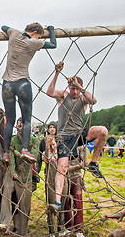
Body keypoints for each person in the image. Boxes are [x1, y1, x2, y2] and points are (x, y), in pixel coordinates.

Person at [46, 61, 108, 212]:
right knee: (62, 168)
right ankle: (57, 202)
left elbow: (93, 100)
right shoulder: (63, 96)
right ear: (68, 87)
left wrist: (79, 86)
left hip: (79, 134)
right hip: (64, 137)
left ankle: (93, 163)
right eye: (72, 88)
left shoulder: (83, 98)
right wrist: (56, 73)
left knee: (103, 130)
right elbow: (49, 92)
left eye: (76, 88)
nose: (74, 91)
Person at [0, 22, 56, 165]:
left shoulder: (14, 34)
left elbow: (4, 27)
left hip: (7, 83)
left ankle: (5, 153)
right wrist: (51, 30)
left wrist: (15, 31)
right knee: (26, 120)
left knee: (10, 120)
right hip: (22, 82)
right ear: (36, 32)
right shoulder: (33, 43)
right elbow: (53, 44)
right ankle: (25, 149)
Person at [0, 117, 39, 236]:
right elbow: (10, 156)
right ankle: (4, 222)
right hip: (13, 173)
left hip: (26, 176)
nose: (20, 127)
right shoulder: (13, 140)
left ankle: (23, 231)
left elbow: (33, 157)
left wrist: (19, 155)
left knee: (25, 206)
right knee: (7, 188)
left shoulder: (33, 141)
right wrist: (12, 171)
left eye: (22, 125)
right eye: (18, 125)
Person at [63, 145, 87, 237]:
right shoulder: (62, 143)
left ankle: (79, 230)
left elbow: (85, 163)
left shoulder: (80, 146)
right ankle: (68, 227)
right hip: (64, 177)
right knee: (65, 203)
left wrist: (68, 168)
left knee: (78, 203)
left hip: (76, 176)